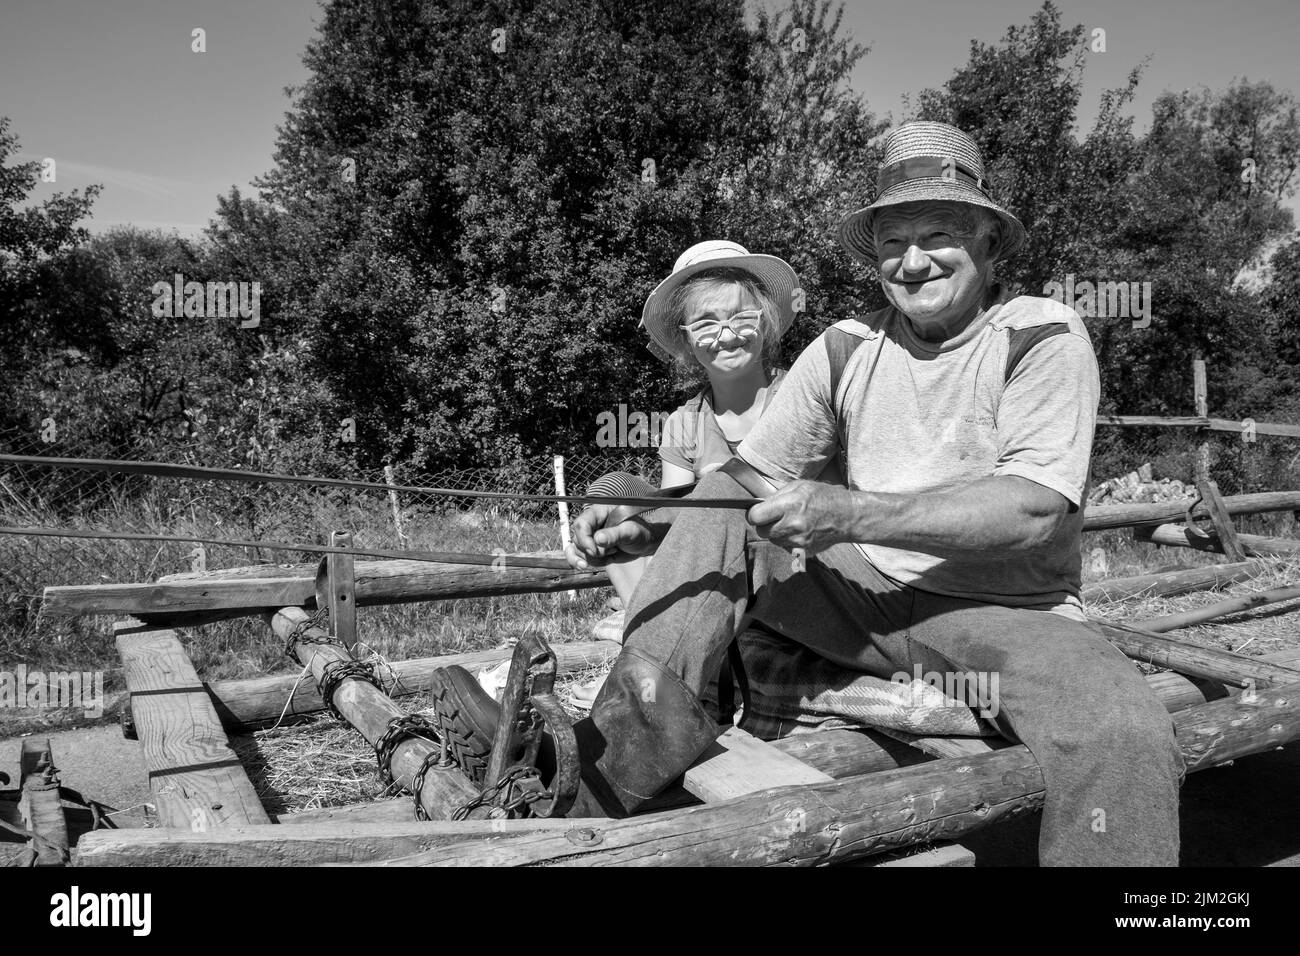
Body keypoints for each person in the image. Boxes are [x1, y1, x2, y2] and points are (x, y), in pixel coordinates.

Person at [430, 122, 1184, 866]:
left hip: (1006, 612)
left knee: (1119, 725)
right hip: (859, 598)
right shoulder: (847, 343)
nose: (913, 261)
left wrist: (851, 512)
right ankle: (590, 787)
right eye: (893, 241)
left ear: (987, 242)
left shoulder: (1039, 333)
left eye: (938, 236)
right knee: (720, 489)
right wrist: (646, 522)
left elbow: (1035, 510)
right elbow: (746, 483)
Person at [569, 239, 804, 610]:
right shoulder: (683, 423)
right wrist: (609, 534)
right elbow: (670, 522)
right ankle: (646, 618)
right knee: (610, 494)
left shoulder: (802, 396)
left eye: (742, 317)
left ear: (766, 321)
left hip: (793, 573)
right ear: (687, 339)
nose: (726, 336)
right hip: (714, 572)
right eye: (706, 324)